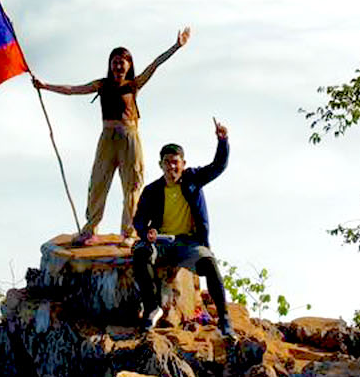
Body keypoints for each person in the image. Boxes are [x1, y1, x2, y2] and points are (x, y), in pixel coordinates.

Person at [34, 28, 191, 245]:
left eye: (122, 62)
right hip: (107, 137)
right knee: (98, 181)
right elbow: (73, 90)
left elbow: (155, 64)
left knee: (133, 184)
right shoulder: (102, 85)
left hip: (129, 137)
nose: (118, 66)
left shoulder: (133, 85)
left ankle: (129, 232)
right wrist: (45, 86)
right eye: (115, 62)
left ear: (128, 65)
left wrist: (176, 46)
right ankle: (90, 229)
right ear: (110, 65)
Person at [131, 118, 232, 338]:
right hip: (162, 242)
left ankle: (224, 319)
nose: (172, 166)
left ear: (183, 164)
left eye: (176, 162)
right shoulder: (152, 191)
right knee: (140, 252)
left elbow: (218, 166)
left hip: (189, 243)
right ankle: (152, 307)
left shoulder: (193, 179)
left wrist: (222, 141)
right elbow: (138, 220)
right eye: (167, 162)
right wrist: (146, 232)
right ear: (161, 165)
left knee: (209, 263)